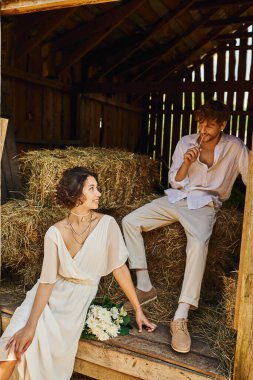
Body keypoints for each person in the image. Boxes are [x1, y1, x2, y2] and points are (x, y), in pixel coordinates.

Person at [0, 167, 156, 380]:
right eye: (92, 188)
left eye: (97, 188)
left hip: (73, 305)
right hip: (43, 299)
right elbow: (46, 282)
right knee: (10, 348)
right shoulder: (54, 232)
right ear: (76, 194)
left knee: (30, 350)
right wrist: (30, 325)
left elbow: (119, 268)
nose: (99, 193)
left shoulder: (107, 224)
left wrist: (138, 309)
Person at [122, 100, 249, 354]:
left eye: (210, 125)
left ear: (223, 125)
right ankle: (145, 286)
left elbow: (250, 177)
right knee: (129, 221)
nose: (203, 129)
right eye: (200, 123)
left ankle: (180, 317)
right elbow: (175, 180)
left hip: (205, 205)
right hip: (177, 198)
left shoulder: (235, 147)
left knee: (199, 244)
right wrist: (186, 164)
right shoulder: (186, 142)